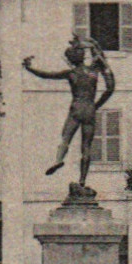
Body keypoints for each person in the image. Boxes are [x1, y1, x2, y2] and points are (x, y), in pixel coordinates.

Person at [22, 35, 117, 189]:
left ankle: (58, 160)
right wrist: (97, 104)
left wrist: (29, 68)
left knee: (65, 138)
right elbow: (110, 88)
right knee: (86, 146)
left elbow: (46, 75)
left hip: (76, 107)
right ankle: (82, 180)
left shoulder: (71, 73)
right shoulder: (94, 71)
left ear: (71, 60)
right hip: (90, 109)